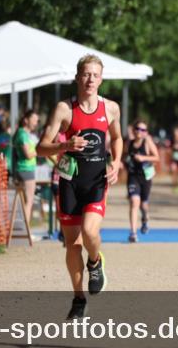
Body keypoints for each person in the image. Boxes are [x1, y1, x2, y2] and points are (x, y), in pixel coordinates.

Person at [37, 55, 123, 320]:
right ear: (77, 77)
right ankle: (78, 299)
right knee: (72, 245)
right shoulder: (64, 109)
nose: (90, 79)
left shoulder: (111, 108)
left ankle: (95, 262)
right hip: (69, 182)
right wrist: (65, 145)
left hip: (96, 180)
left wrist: (117, 162)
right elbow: (41, 148)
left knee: (89, 231)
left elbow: (117, 137)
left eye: (95, 75)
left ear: (101, 79)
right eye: (86, 74)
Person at [124, 119, 160, 242]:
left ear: (146, 132)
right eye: (138, 129)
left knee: (144, 205)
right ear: (134, 130)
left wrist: (143, 158)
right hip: (133, 176)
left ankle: (145, 218)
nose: (140, 131)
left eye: (143, 129)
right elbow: (124, 155)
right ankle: (133, 233)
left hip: (145, 176)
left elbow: (157, 158)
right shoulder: (129, 143)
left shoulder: (147, 142)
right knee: (134, 202)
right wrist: (121, 163)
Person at [13, 109, 40, 231]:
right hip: (26, 169)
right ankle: (27, 230)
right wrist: (39, 150)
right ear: (26, 120)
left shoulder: (22, 133)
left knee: (24, 201)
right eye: (34, 120)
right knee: (29, 201)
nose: (36, 123)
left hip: (23, 169)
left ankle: (23, 229)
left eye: (37, 121)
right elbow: (28, 154)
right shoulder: (22, 134)